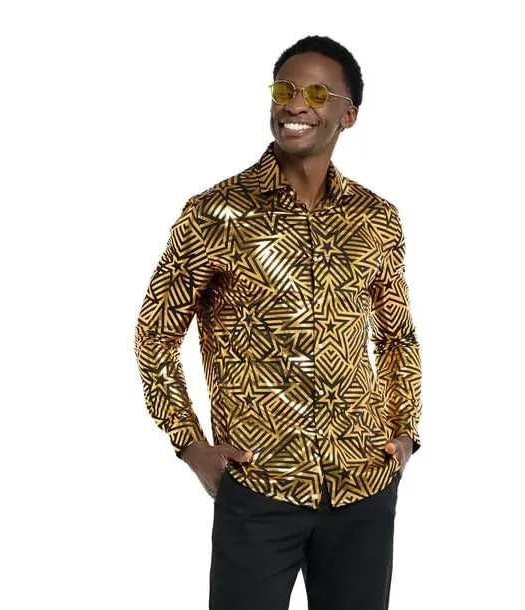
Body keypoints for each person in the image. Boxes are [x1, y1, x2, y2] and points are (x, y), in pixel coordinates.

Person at [134, 34, 422, 610]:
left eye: (316, 93)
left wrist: (404, 433)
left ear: (348, 114)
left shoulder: (377, 218)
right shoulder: (216, 213)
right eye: (284, 89)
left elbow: (397, 335)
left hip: (363, 485)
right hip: (260, 487)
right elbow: (156, 334)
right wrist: (189, 443)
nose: (294, 105)